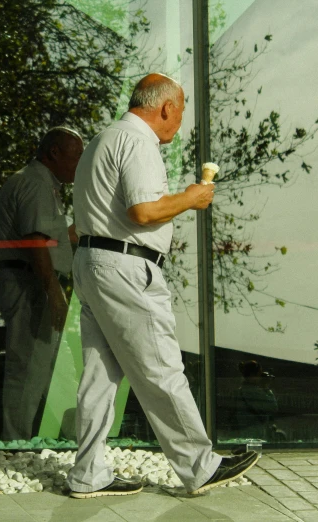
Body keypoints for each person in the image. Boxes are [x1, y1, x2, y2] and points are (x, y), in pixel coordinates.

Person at [66, 73, 259, 499]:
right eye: (183, 110)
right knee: (161, 367)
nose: (181, 120)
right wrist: (192, 197)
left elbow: (75, 226)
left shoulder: (101, 140)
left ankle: (88, 473)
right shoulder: (138, 141)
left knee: (100, 374)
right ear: (167, 107)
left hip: (93, 262)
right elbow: (144, 211)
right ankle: (200, 466)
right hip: (126, 266)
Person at [0, 127, 84, 440]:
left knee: (55, 369)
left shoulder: (41, 185)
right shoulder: (34, 184)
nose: (80, 163)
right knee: (28, 368)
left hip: (32, 279)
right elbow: (35, 243)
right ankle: (14, 443)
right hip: (29, 281)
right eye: (76, 155)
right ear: (54, 153)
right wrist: (54, 293)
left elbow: (47, 239)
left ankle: (75, 437)